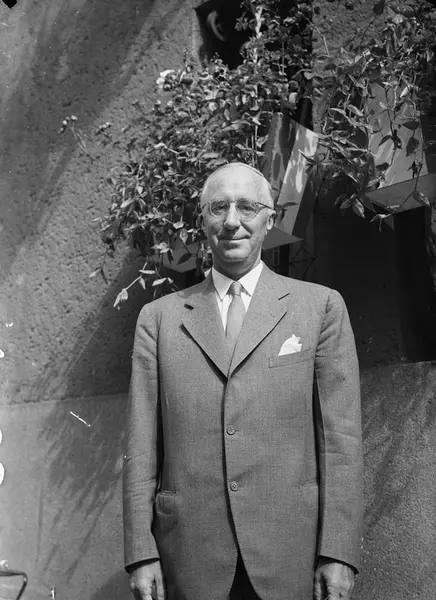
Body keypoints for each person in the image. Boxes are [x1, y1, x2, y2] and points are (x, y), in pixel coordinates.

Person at [123, 162, 363, 600]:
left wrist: (339, 552)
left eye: (247, 207)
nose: (232, 221)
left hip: (291, 555)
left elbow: (340, 443)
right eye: (219, 207)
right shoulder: (159, 320)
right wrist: (141, 552)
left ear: (269, 220)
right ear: (202, 221)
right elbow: (142, 447)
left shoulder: (320, 308)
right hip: (189, 557)